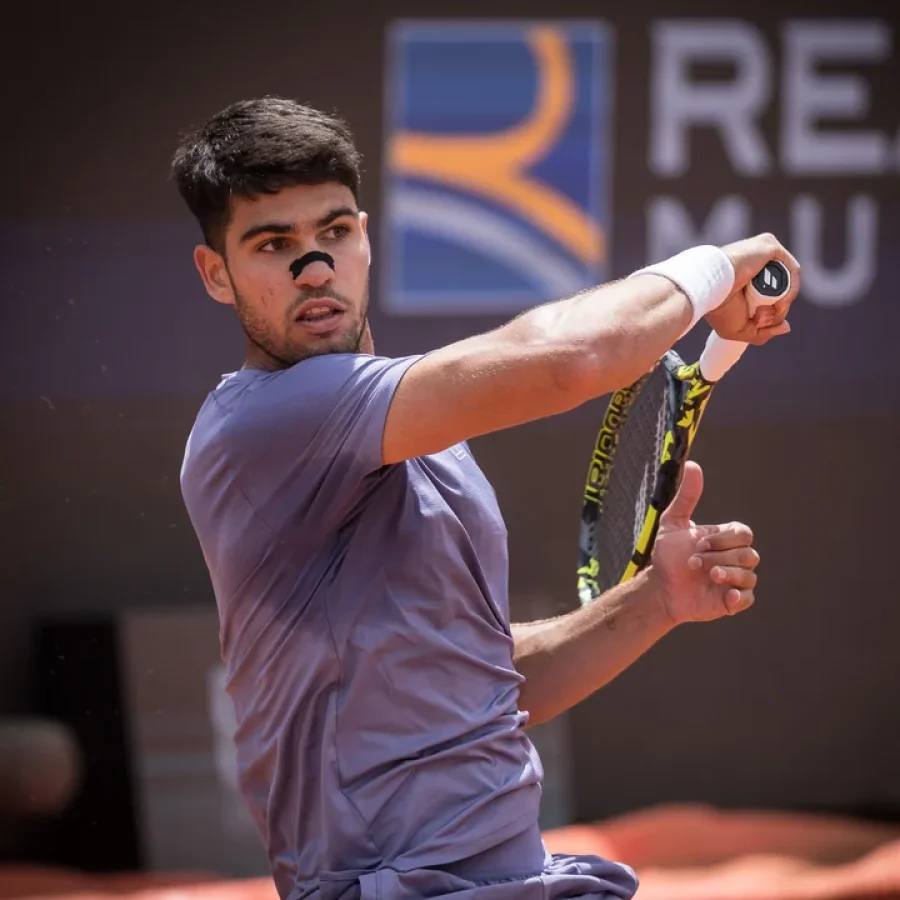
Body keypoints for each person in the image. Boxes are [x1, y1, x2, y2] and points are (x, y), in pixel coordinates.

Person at [174, 97, 799, 900]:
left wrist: (655, 602)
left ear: (366, 236)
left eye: (334, 233)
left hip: (518, 877)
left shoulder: (431, 447)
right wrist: (715, 267)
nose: (315, 267)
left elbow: (484, 688)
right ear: (216, 273)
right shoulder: (263, 423)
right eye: (274, 244)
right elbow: (576, 358)